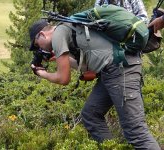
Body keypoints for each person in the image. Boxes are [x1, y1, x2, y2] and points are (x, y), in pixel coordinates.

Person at [29, 19, 161, 149]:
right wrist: (64, 59)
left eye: (37, 45)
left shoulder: (58, 35)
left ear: (42, 34)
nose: (39, 49)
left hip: (120, 68)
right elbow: (89, 67)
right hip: (111, 69)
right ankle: (111, 147)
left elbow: (64, 79)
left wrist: (42, 73)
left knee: (136, 132)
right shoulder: (70, 27)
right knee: (91, 114)